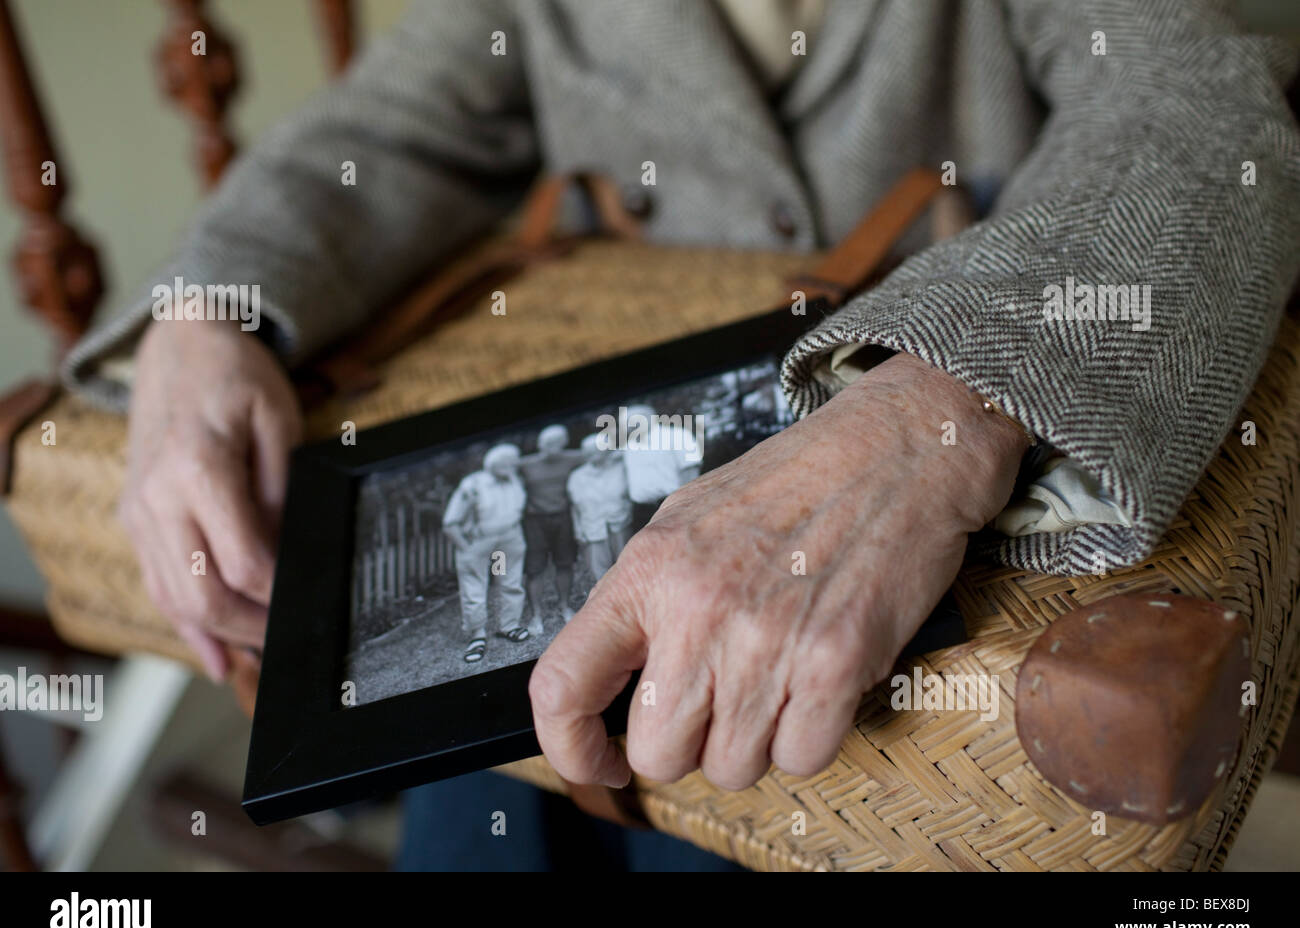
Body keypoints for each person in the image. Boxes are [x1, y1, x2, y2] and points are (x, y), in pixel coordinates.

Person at [79, 0, 1299, 868]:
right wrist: (207, 309)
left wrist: (941, 410)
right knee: (490, 805)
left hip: (901, 589)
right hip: (613, 559)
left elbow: (1196, 115)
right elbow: (376, 139)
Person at [441, 444, 529, 663]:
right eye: (507, 463)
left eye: (513, 462)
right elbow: (450, 523)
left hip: (506, 543)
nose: (512, 467)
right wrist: (466, 549)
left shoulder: (513, 481)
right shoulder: (473, 485)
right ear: (492, 464)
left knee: (508, 582)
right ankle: (477, 635)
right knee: (475, 589)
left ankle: (508, 626)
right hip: (479, 544)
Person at [517, 425, 588, 636]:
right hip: (534, 521)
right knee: (535, 568)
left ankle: (565, 607)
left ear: (564, 443)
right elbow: (498, 469)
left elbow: (604, 454)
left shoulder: (573, 458)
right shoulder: (526, 464)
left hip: (563, 517)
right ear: (540, 444)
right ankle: (536, 615)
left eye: (556, 443)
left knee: (565, 563)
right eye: (546, 443)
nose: (550, 447)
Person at [618, 405, 704, 530]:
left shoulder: (677, 435)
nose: (628, 426)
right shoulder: (628, 447)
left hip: (673, 506)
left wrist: (684, 505)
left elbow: (690, 471)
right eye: (624, 424)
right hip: (641, 512)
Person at [567, 434, 634, 580]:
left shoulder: (622, 467)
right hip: (592, 528)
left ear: (607, 450)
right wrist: (578, 530)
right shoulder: (577, 476)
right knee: (600, 575)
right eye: (588, 452)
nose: (591, 455)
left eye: (596, 450)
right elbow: (574, 507)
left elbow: (636, 451)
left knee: (628, 567)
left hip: (621, 523)